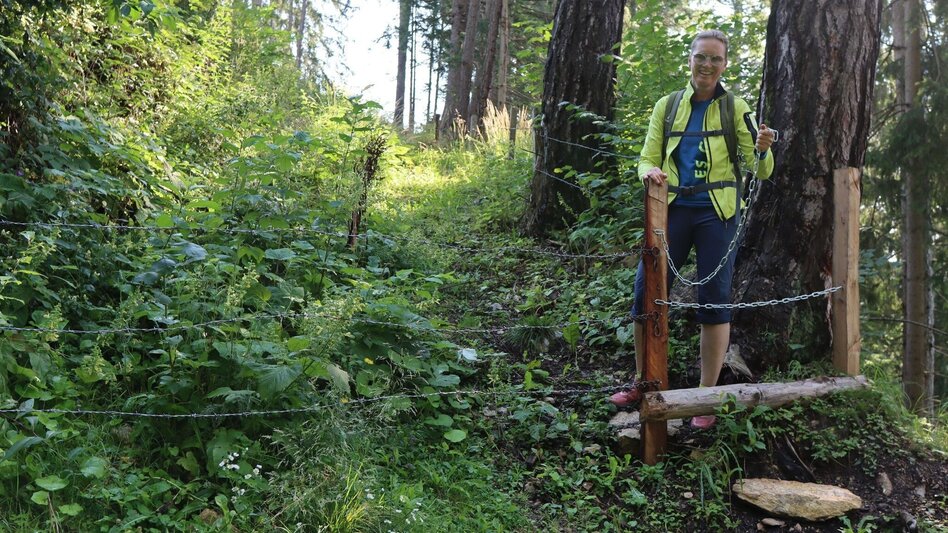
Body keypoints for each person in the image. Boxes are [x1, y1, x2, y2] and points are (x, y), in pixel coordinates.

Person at [608, 30, 776, 429]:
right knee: (647, 290)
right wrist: (647, 171)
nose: (707, 65)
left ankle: (706, 396)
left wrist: (764, 148)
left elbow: (760, 170)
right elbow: (647, 156)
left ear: (725, 65)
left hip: (718, 213)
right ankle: (644, 380)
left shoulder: (736, 108)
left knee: (714, 299)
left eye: (715, 59)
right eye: (701, 57)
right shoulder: (667, 107)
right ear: (690, 59)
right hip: (673, 210)